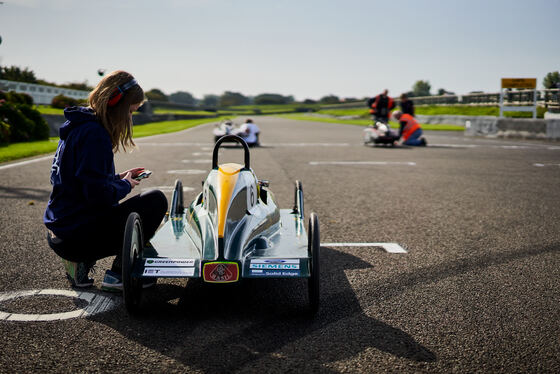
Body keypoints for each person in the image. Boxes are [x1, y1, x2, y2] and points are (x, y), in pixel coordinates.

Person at [43, 70, 168, 292]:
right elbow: (98, 196)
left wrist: (117, 177)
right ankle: (118, 275)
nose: (130, 118)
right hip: (76, 236)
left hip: (61, 232)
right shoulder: (95, 134)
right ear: (117, 104)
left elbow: (81, 180)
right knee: (155, 200)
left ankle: (78, 262)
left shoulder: (78, 127)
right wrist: (126, 185)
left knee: (137, 201)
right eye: (130, 111)